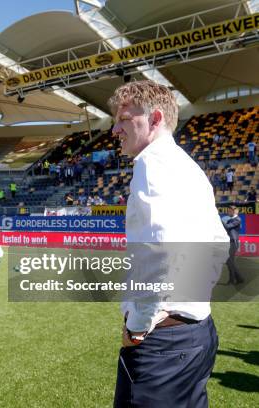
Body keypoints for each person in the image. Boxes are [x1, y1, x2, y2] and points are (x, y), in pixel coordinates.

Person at [109, 80, 229, 407]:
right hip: (196, 333)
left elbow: (160, 250)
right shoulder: (189, 167)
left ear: (156, 118)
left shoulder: (152, 164)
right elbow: (220, 242)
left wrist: (137, 327)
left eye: (124, 119)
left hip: (163, 343)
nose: (115, 129)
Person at [223, 206, 243, 285]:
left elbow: (228, 227)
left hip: (233, 243)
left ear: (233, 211)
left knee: (229, 261)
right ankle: (239, 278)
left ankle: (232, 280)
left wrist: (220, 220)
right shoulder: (230, 220)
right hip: (229, 242)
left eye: (229, 211)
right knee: (230, 262)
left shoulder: (237, 219)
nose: (227, 212)